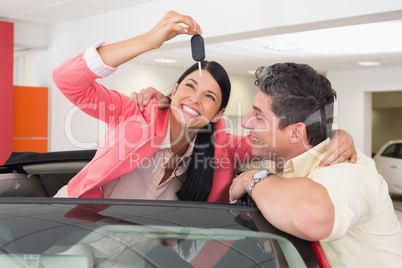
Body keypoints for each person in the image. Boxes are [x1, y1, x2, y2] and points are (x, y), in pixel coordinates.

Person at [53, 10, 355, 203]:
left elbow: (289, 141)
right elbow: (67, 80)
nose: (195, 100)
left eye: (210, 97)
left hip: (137, 253)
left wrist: (338, 136)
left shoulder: (225, 147)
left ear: (219, 114)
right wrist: (147, 41)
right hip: (73, 226)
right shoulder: (132, 114)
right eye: (190, 87)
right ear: (174, 91)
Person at [227, 63, 402, 267]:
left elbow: (310, 217)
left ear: (295, 133)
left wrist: (253, 178)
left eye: (258, 116)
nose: (246, 122)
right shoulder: (276, 163)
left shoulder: (350, 169)